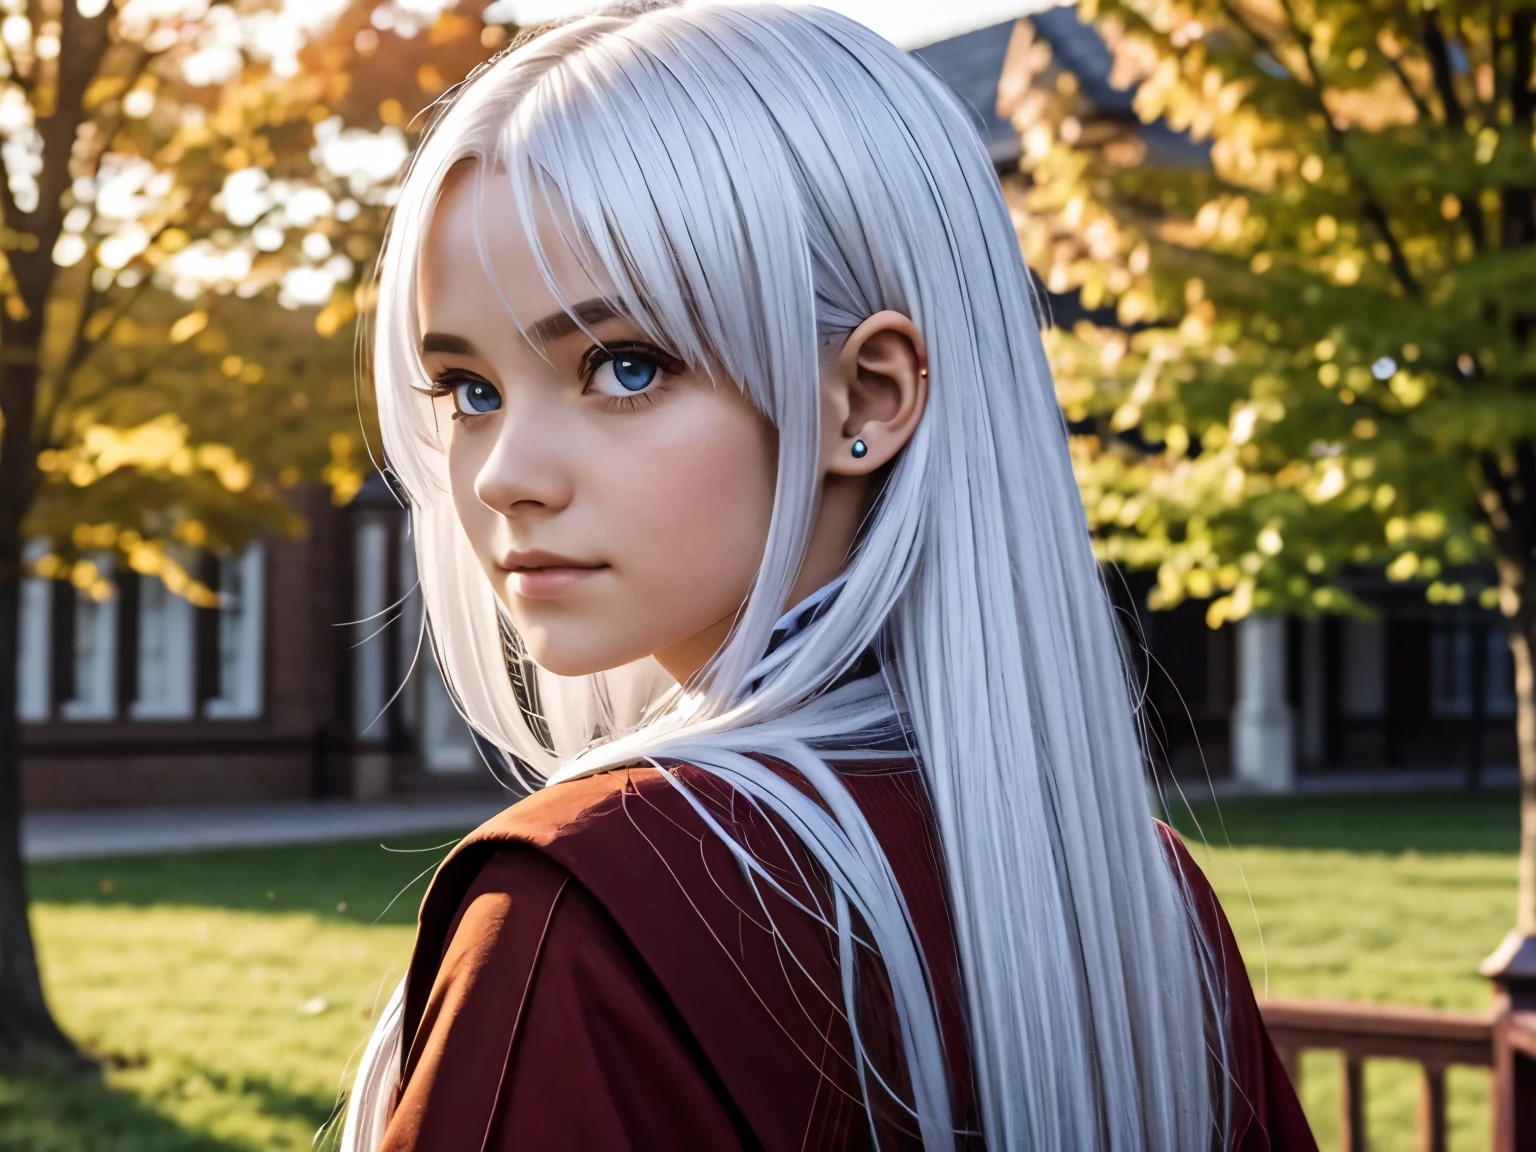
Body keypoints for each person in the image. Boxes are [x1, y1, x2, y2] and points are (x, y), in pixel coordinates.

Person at [340, 2, 1318, 1149]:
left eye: (623, 364)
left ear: (869, 397)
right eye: (468, 389)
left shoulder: (596, 898)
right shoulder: (1135, 897)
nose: (505, 474)